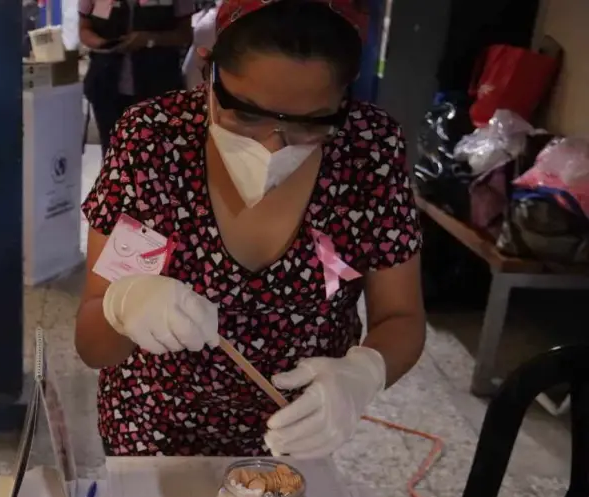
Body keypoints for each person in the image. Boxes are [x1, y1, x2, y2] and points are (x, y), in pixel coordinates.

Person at [76, 0, 425, 458]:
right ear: (209, 72)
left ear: (344, 100)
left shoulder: (367, 152)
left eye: (309, 123)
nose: (272, 144)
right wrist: (122, 306)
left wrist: (364, 373)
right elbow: (94, 344)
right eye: (246, 114)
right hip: (153, 431)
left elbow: (399, 317)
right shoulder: (157, 144)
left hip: (294, 438)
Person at [79, 0, 197, 148]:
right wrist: (105, 45)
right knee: (113, 152)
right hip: (106, 87)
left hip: (158, 87)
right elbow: (84, 29)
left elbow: (185, 34)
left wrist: (149, 39)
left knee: (154, 155)